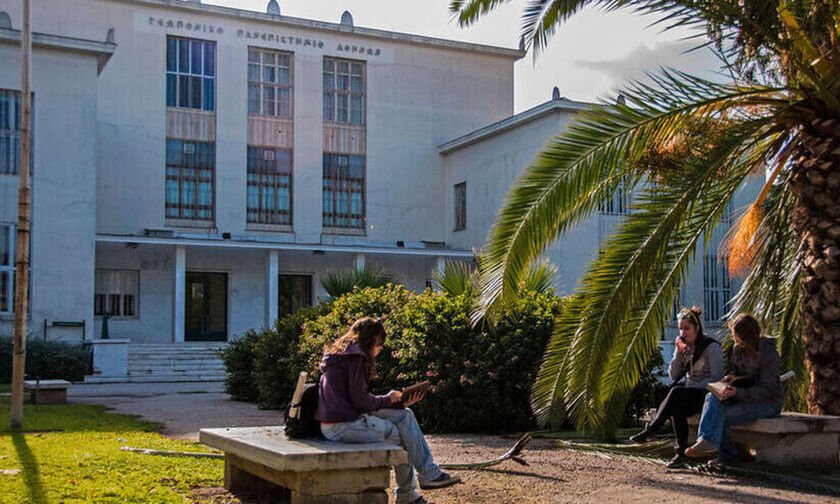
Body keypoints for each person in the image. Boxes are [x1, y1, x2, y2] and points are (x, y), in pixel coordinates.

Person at [316, 317, 460, 504]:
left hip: (342, 420)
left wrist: (397, 402)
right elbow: (360, 400)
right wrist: (388, 400)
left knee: (405, 415)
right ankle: (409, 494)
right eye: (380, 343)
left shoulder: (344, 354)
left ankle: (428, 475)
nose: (381, 348)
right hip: (343, 426)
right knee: (401, 436)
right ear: (372, 340)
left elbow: (358, 400)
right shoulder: (354, 358)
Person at [628, 307, 723, 469]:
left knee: (677, 392)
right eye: (681, 329)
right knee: (676, 407)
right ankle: (681, 454)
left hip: (706, 395)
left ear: (697, 328)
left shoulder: (711, 347)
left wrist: (693, 385)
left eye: (687, 329)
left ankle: (652, 429)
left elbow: (716, 378)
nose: (683, 332)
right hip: (688, 394)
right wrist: (678, 353)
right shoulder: (684, 347)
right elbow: (673, 375)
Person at [685, 313, 783, 465]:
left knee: (721, 415)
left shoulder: (768, 354)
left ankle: (728, 457)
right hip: (741, 396)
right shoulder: (738, 349)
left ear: (748, 337)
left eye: (738, 337)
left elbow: (767, 390)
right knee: (712, 397)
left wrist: (738, 392)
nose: (735, 340)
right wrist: (730, 379)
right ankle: (705, 440)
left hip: (767, 403)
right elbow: (737, 373)